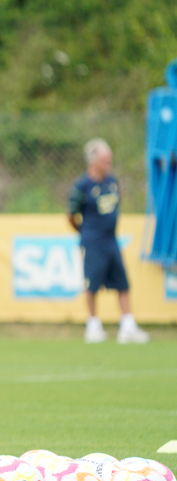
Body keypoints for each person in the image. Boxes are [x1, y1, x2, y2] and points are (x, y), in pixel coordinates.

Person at [67, 138, 150, 344]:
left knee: (122, 282)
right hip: (93, 242)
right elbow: (71, 214)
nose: (109, 164)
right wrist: (84, 232)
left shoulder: (112, 181)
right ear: (93, 161)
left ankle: (127, 326)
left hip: (112, 240)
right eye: (105, 160)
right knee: (92, 284)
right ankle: (93, 326)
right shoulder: (83, 186)